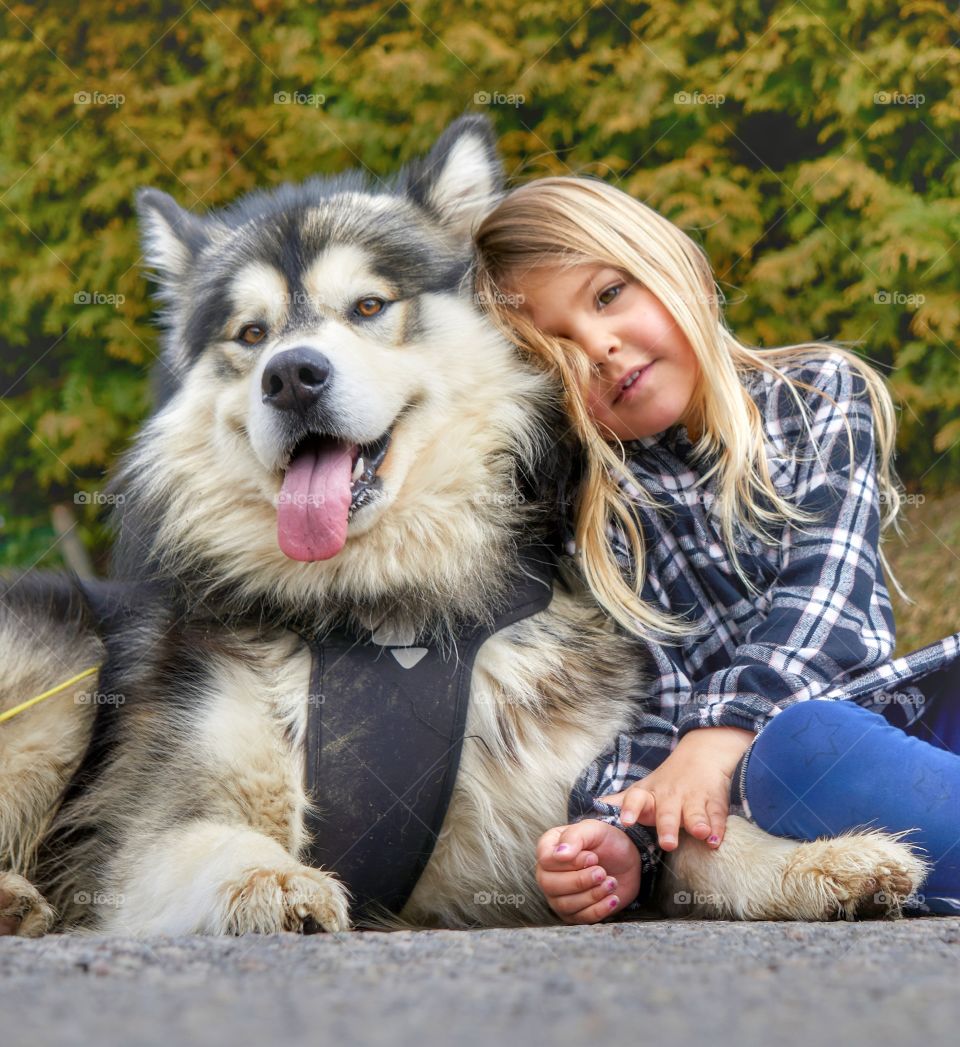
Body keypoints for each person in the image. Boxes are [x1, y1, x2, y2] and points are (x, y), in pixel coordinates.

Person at [472, 175, 960, 923]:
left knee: (814, 731)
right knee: (801, 751)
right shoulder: (590, 518)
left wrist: (721, 732)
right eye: (554, 348)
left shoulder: (817, 397)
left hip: (898, 717)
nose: (598, 346)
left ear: (676, 268)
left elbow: (825, 606)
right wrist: (620, 837)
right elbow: (639, 711)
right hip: (800, 778)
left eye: (608, 295)